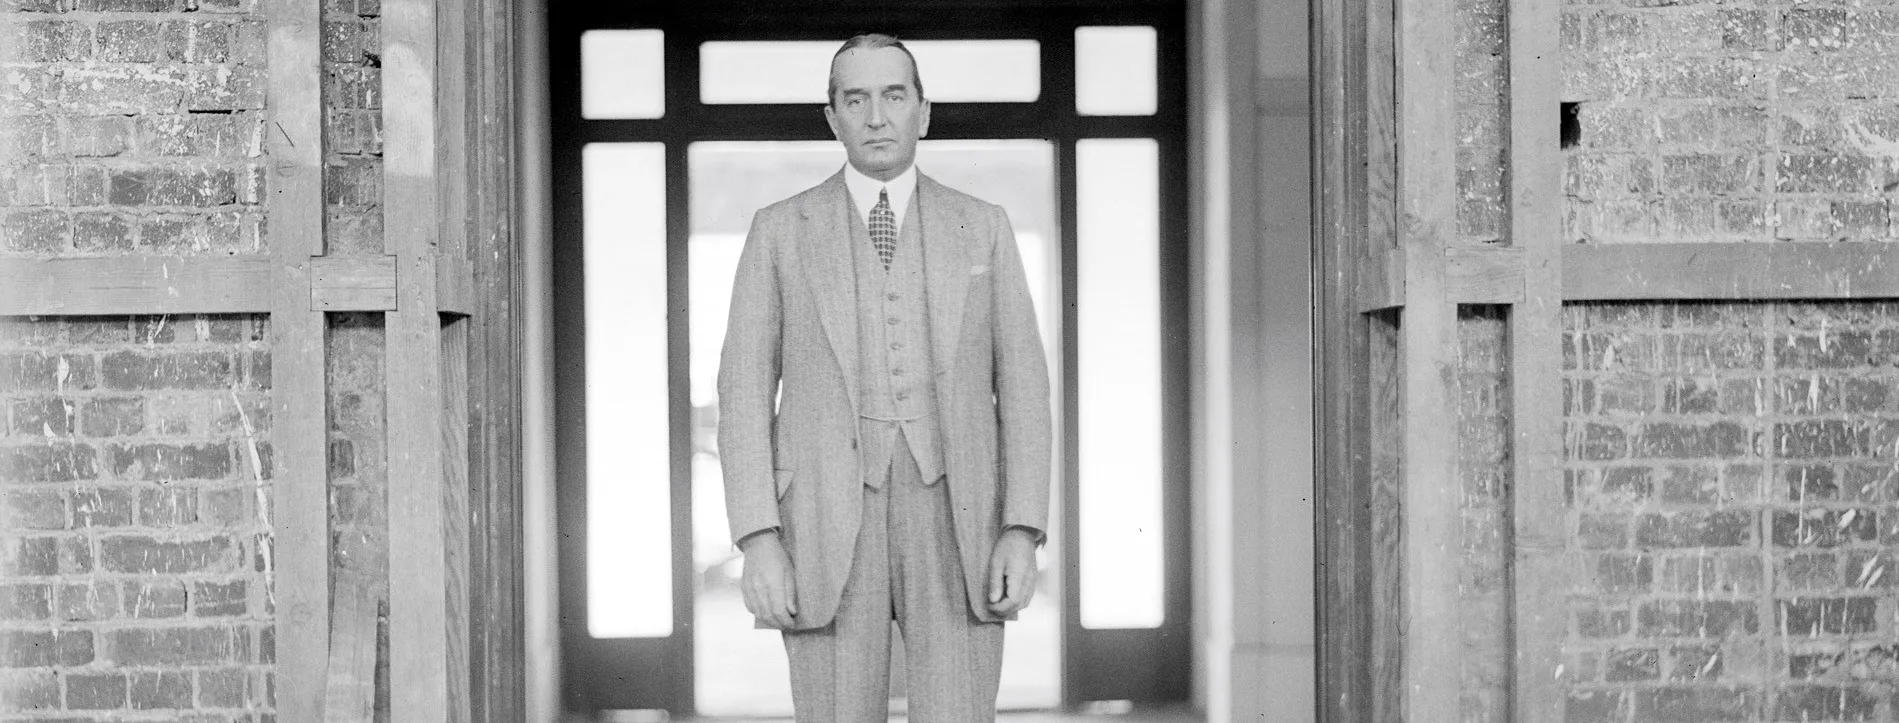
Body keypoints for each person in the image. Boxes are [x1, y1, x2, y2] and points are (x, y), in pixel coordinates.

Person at [716, 33, 1052, 722]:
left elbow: (1023, 389)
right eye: (856, 98)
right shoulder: (779, 231)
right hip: (820, 521)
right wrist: (758, 538)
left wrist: (1021, 527)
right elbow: (742, 395)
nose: (876, 116)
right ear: (831, 117)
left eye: (894, 96)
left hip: (960, 520)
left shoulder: (982, 227)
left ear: (923, 113)